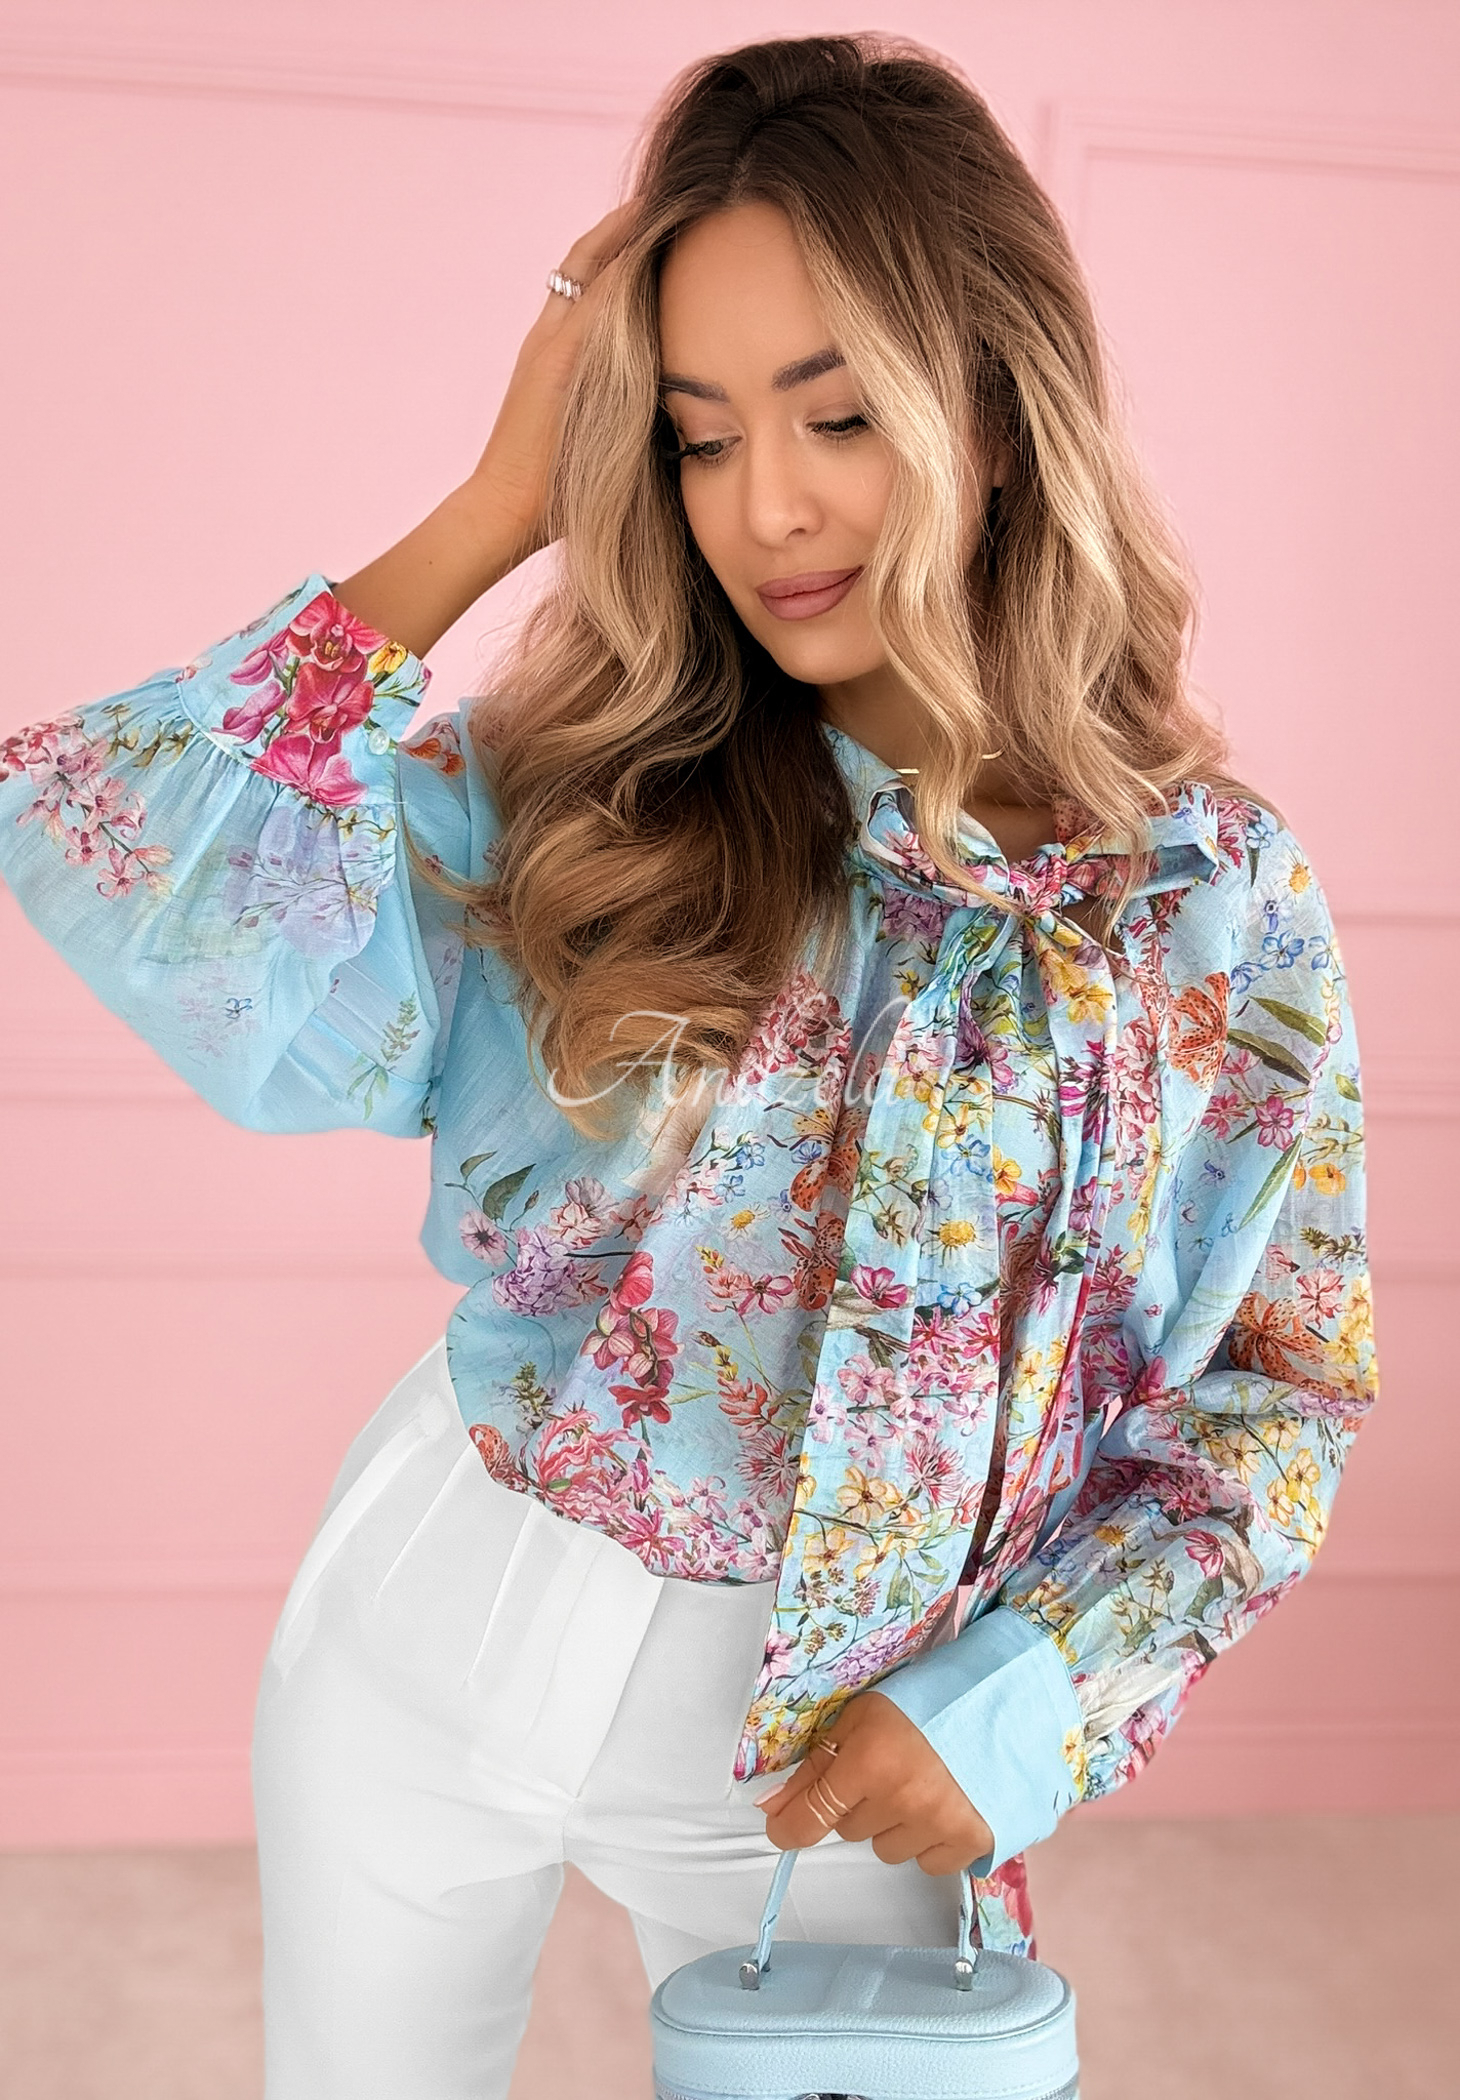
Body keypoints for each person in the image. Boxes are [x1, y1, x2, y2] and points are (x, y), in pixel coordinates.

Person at [0, 31, 1377, 2100]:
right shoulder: (581, 800)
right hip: (427, 1625)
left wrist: (1026, 1698)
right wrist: (496, 503)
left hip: (835, 1738)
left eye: (837, 414)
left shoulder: (1201, 905)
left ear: (999, 411)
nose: (767, 507)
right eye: (695, 437)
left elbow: (1281, 1385)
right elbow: (120, 854)